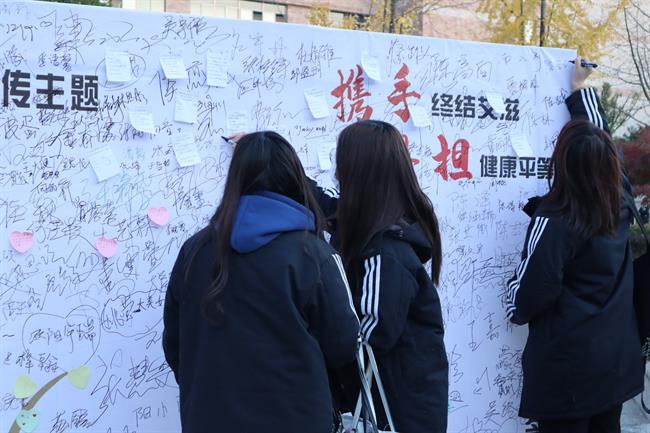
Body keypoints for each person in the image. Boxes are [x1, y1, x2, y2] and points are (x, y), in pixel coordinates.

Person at [162, 131, 360, 433]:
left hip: (209, 418)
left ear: (234, 179)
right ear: (295, 179)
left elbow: (175, 345)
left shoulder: (195, 250)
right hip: (296, 418)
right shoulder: (313, 254)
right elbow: (343, 344)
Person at [505, 57, 645, 433]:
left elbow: (528, 298)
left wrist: (511, 297)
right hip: (615, 364)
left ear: (562, 164)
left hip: (567, 375)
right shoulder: (620, 197)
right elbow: (601, 140)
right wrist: (580, 90)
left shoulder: (554, 220)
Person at [315, 120, 449, 433]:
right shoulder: (377, 228)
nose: (336, 175)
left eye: (341, 165)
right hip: (396, 405)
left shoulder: (385, 253)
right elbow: (324, 203)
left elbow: (367, 339)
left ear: (358, 173)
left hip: (400, 413)